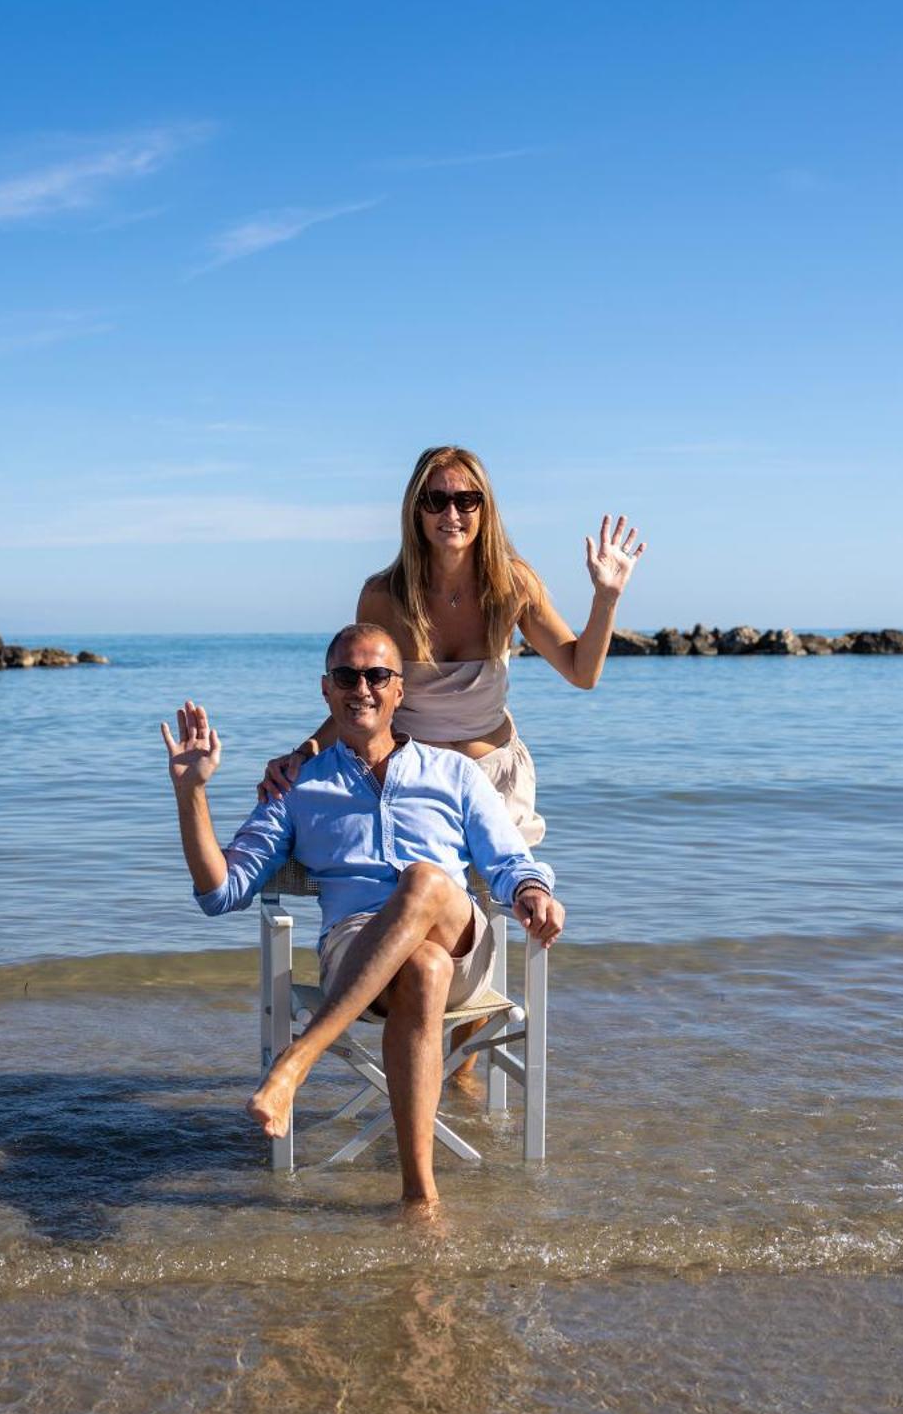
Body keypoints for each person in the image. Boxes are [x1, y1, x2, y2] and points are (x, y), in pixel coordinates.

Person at [257, 444, 643, 1078]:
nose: (452, 514)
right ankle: (431, 1079)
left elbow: (582, 671)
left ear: (485, 509)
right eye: (436, 500)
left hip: (493, 781)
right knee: (417, 914)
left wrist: (606, 598)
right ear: (416, 510)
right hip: (409, 782)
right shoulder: (385, 595)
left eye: (467, 500)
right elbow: (365, 695)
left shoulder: (512, 584)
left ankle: (449, 1076)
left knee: (481, 920)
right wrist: (303, 754)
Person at [162, 622, 564, 1208]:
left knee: (425, 880)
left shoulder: (454, 773)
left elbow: (510, 861)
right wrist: (191, 793)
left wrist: (531, 891)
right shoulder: (299, 786)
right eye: (348, 676)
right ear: (326, 690)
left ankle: (297, 1062)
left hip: (463, 948)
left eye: (378, 676)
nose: (363, 688)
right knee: (420, 967)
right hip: (357, 952)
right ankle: (419, 1196)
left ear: (400, 691)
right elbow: (220, 891)